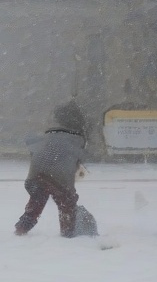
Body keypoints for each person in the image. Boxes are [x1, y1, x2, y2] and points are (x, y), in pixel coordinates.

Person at [14, 100, 98, 238]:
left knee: (36, 204)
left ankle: (21, 229)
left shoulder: (49, 135)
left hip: (35, 175)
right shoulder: (76, 140)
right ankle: (68, 234)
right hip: (58, 176)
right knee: (67, 204)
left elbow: (34, 147)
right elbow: (81, 159)